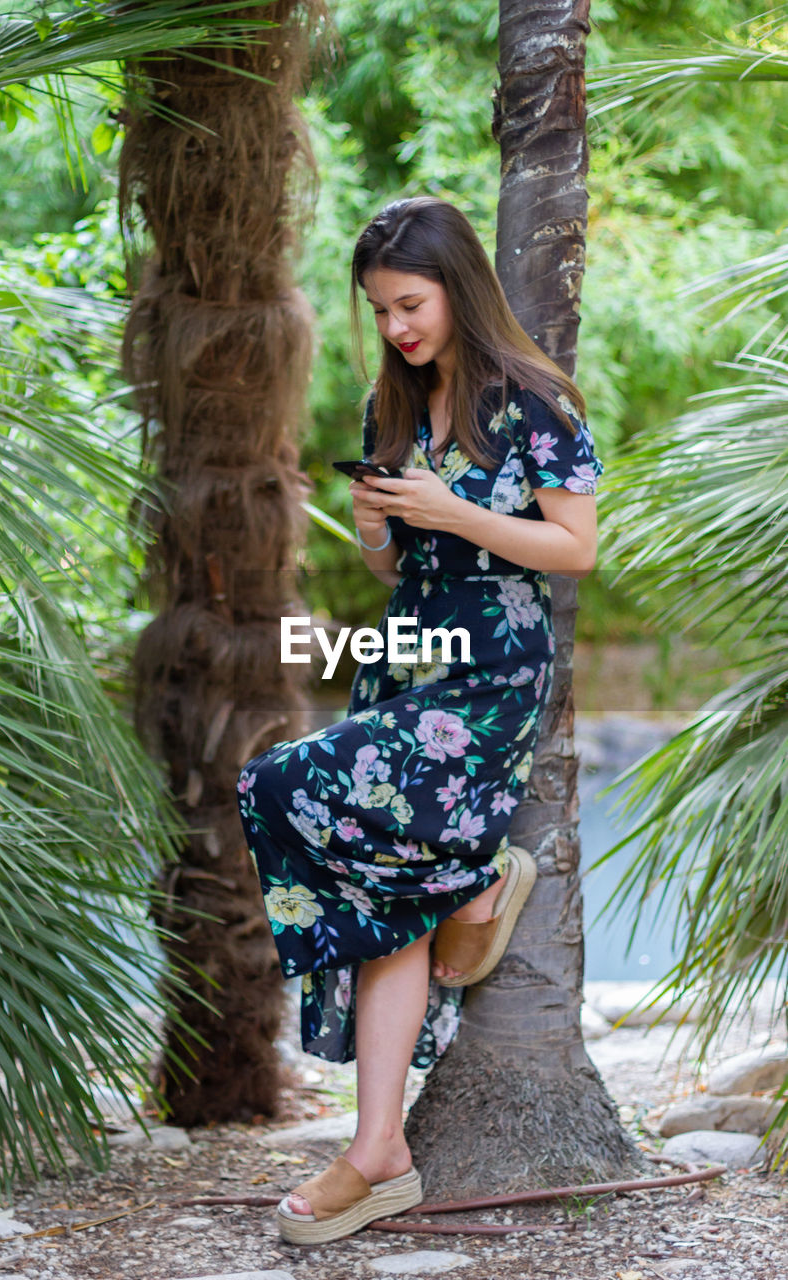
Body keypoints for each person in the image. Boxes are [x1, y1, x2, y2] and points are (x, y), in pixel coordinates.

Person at [236, 195, 603, 1245]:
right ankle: (379, 1149)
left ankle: (473, 880)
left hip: (489, 670)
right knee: (387, 889)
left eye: (410, 303)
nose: (397, 327)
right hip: (406, 653)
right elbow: (400, 567)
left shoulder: (531, 401)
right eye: (381, 310)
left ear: (457, 286)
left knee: (278, 781)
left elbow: (574, 548)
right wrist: (375, 535)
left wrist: (456, 512)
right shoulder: (388, 408)